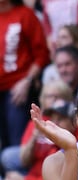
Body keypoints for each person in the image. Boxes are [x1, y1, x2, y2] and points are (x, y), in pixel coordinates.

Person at [0, 0, 48, 152]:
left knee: (15, 143)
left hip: (17, 88)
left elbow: (41, 55)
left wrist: (26, 81)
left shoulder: (25, 14)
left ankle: (16, 173)